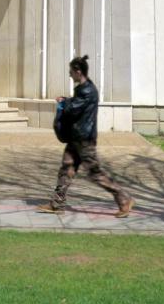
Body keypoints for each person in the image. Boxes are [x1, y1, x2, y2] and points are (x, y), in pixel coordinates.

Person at [37, 55, 134, 218]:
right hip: (77, 138)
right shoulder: (83, 90)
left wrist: (63, 103)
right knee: (66, 169)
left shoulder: (87, 90)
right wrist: (67, 101)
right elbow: (75, 105)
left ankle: (124, 199)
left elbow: (72, 109)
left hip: (84, 140)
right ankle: (57, 204)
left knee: (95, 173)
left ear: (78, 71)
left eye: (70, 72)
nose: (69, 75)